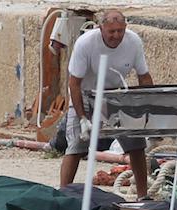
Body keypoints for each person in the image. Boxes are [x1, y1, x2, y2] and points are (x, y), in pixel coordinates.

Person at [61, 9, 153, 199]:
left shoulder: (133, 41)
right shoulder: (86, 43)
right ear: (101, 27)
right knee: (76, 146)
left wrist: (148, 112)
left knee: (136, 144)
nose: (116, 36)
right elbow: (74, 83)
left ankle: (143, 196)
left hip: (116, 95)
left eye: (120, 31)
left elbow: (144, 76)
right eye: (111, 31)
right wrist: (83, 118)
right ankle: (63, 194)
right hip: (85, 94)